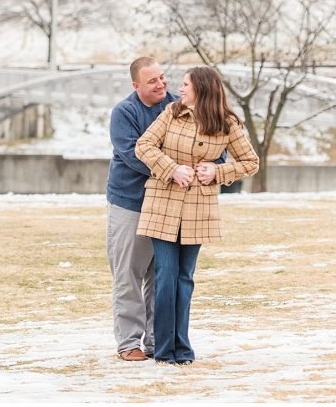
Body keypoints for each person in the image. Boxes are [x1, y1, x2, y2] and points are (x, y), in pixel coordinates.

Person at [135, 66, 259, 365]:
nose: (179, 88)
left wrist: (218, 171)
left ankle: (183, 347)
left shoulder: (227, 123)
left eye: (186, 84)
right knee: (165, 276)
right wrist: (171, 168)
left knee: (184, 278)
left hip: (197, 210)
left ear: (201, 88)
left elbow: (250, 162)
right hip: (162, 203)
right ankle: (165, 350)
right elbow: (144, 145)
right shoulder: (172, 113)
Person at [106, 56, 175, 361]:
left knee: (162, 276)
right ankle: (129, 344)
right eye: (152, 81)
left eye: (162, 77)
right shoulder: (124, 112)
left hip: (169, 203)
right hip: (130, 202)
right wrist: (175, 168)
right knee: (129, 275)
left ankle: (158, 340)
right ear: (136, 85)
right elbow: (135, 156)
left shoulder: (180, 105)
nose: (160, 84)